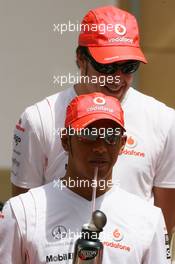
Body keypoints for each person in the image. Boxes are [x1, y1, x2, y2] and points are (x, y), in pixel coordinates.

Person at [11, 5, 175, 234]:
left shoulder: (164, 120)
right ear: (80, 58)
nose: (117, 78)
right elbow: (22, 219)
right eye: (106, 66)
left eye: (129, 67)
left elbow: (163, 230)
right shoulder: (39, 118)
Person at [0, 93, 171, 263]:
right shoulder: (22, 211)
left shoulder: (148, 218)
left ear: (122, 143)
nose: (100, 148)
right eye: (89, 135)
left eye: (111, 137)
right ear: (66, 141)